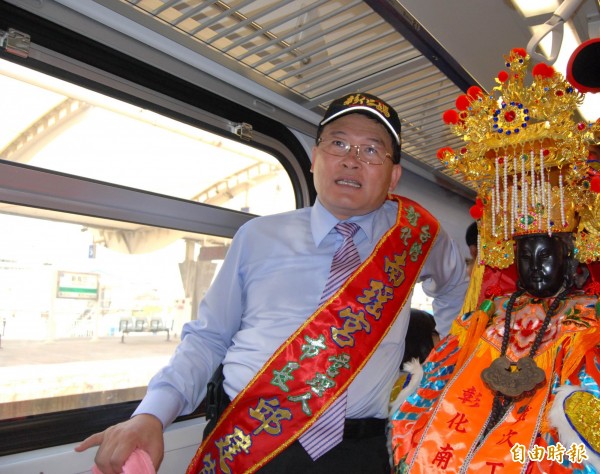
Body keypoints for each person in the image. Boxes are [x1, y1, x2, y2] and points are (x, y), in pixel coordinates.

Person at [77, 92, 469, 474]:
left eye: (371, 150)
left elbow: (456, 289)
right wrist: (151, 415)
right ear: (315, 159)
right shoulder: (257, 237)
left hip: (359, 454)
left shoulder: (416, 237)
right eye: (338, 143)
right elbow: (208, 338)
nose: (351, 161)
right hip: (248, 444)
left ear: (394, 176)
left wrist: (445, 370)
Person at [391, 48, 600, 473]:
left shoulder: (588, 322)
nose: (535, 266)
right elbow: (438, 374)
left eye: (547, 254)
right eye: (525, 254)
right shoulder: (487, 316)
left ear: (571, 255)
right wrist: (417, 392)